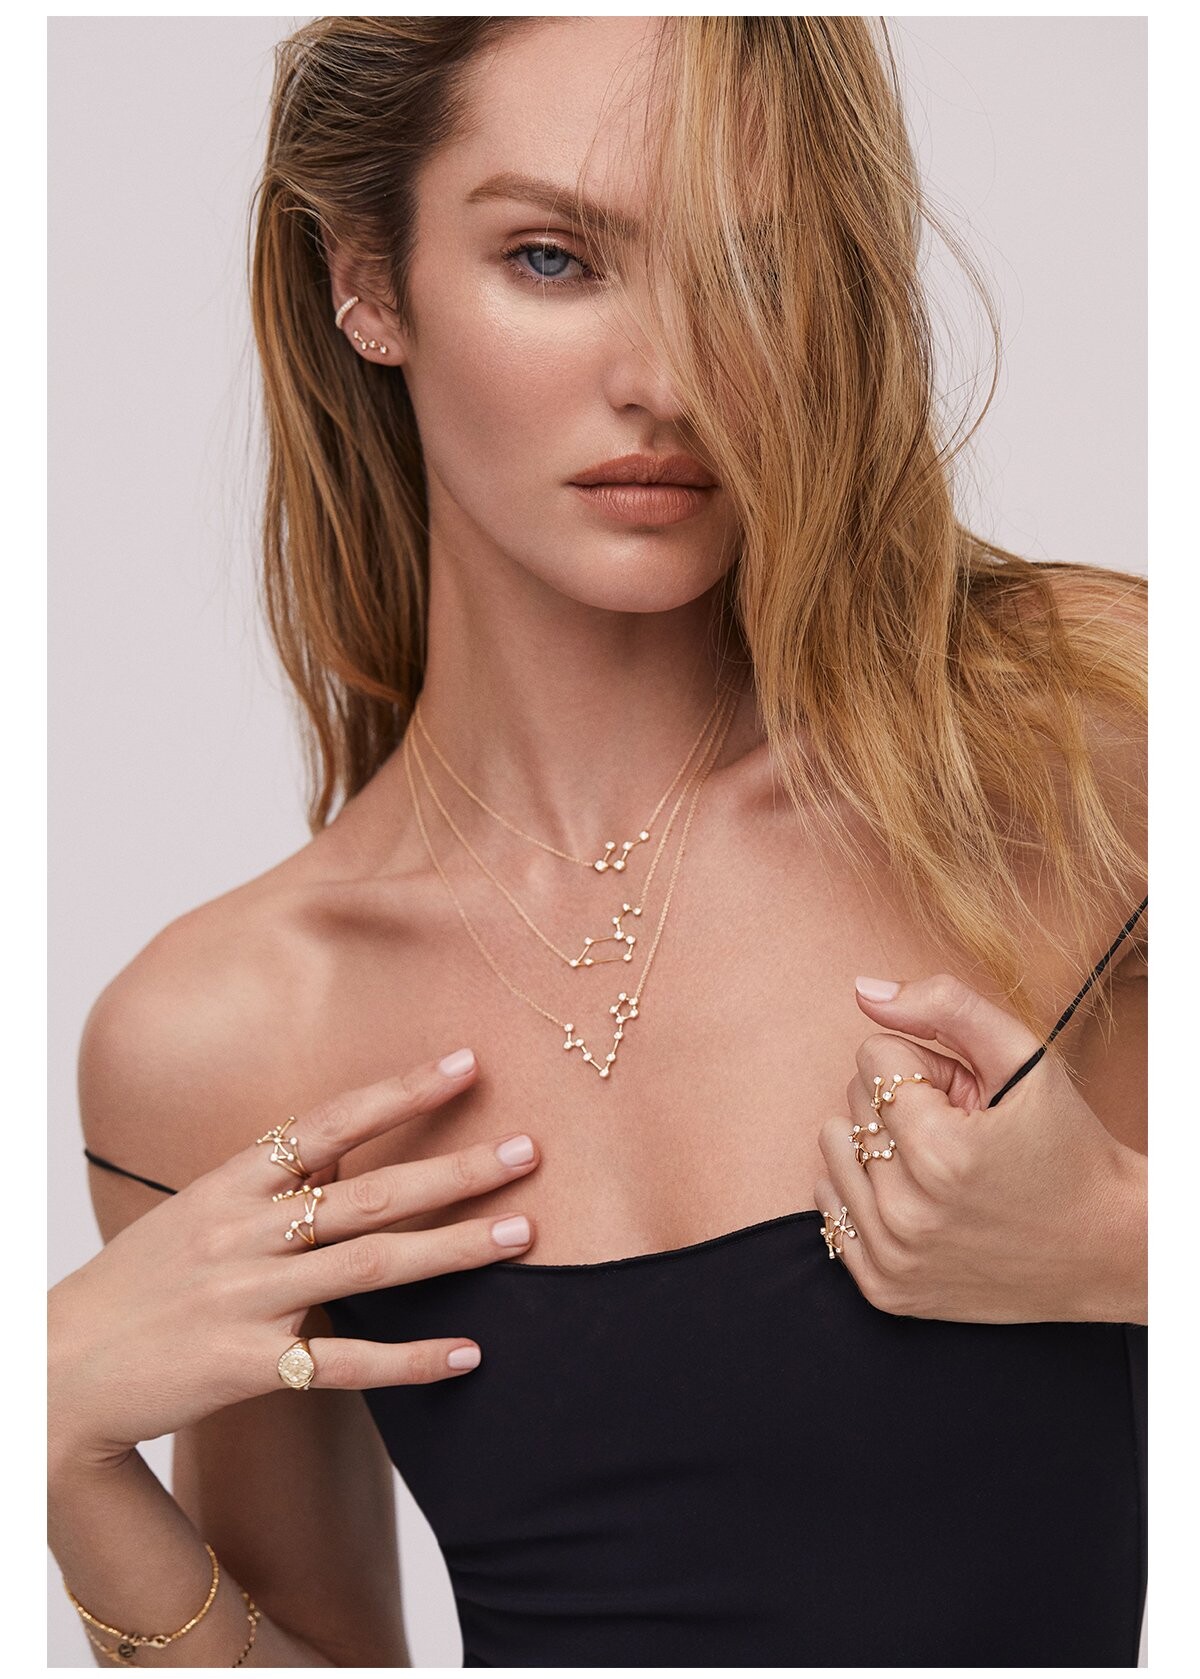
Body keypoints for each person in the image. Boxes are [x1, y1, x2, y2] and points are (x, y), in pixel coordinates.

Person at [49, 15, 1147, 1668]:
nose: (671, 378)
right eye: (554, 259)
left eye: (755, 271)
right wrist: (54, 1441)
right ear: (369, 282)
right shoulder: (224, 1035)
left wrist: (1119, 1240)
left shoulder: (1084, 742)